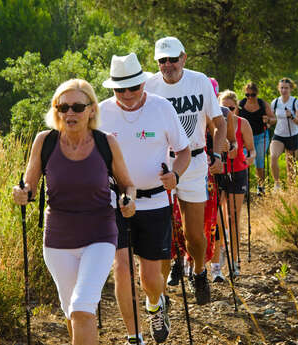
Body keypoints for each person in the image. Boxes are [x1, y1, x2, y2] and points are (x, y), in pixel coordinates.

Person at [12, 79, 136, 345]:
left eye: (77, 107)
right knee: (72, 311)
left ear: (91, 110)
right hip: (58, 241)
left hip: (100, 235)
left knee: (82, 306)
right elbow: (29, 187)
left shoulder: (107, 143)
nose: (69, 113)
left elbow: (127, 184)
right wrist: (21, 194)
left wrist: (128, 200)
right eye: (63, 106)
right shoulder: (44, 142)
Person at [99, 53, 191, 344]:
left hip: (155, 202)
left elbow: (184, 151)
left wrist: (174, 175)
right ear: (112, 89)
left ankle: (155, 305)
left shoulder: (162, 108)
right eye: (119, 89)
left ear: (142, 83)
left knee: (151, 279)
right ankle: (133, 336)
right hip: (117, 203)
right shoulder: (100, 113)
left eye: (133, 88)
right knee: (122, 268)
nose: (127, 95)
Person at [145, 36, 227, 305]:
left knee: (194, 234)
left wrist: (217, 152)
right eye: (162, 60)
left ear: (184, 58)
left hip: (194, 162)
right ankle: (161, 295)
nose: (168, 65)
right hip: (161, 164)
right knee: (162, 232)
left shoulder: (199, 81)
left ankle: (199, 271)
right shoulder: (149, 85)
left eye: (172, 59)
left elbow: (218, 122)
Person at [211, 90, 255, 280]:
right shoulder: (214, 123)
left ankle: (235, 261)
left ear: (236, 107)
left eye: (231, 108)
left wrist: (249, 160)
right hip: (219, 173)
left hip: (237, 172)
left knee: (233, 218)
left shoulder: (242, 123)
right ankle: (220, 251)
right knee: (217, 218)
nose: (227, 111)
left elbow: (251, 150)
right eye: (223, 108)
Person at [238, 82, 276, 195]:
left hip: (261, 136)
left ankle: (261, 187)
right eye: (247, 95)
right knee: (243, 162)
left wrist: (268, 120)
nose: (250, 97)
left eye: (252, 95)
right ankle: (243, 187)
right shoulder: (241, 104)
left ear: (256, 94)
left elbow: (274, 119)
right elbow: (234, 118)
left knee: (259, 162)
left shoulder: (262, 104)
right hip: (245, 138)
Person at [270, 77, 298, 190]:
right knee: (273, 157)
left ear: (290, 89)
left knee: (291, 166)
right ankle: (277, 184)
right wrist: (268, 121)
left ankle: (292, 189)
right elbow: (272, 119)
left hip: (292, 135)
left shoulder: (296, 102)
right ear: (278, 89)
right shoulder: (275, 102)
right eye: (281, 88)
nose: (283, 90)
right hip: (278, 135)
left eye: (286, 88)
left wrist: (291, 116)